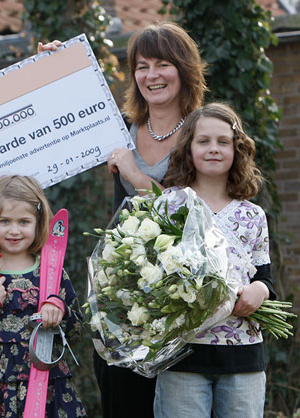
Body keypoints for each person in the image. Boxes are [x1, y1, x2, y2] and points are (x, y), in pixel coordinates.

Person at [92, 22, 207, 418]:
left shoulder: (202, 133)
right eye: (142, 66)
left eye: (162, 64)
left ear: (184, 69)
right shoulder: (121, 129)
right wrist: (55, 63)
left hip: (183, 302)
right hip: (124, 299)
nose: (152, 75)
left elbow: (197, 216)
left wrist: (137, 177)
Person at [155, 102, 276, 417]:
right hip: (182, 355)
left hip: (243, 357)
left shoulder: (252, 215)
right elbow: (151, 274)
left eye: (223, 141)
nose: (213, 148)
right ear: (189, 148)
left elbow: (264, 277)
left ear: (237, 150)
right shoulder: (169, 206)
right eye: (203, 141)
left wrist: (259, 291)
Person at [0, 175, 86, 417]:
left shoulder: (51, 272)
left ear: (38, 223)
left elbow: (76, 334)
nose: (14, 230)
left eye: (24, 221)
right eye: (5, 221)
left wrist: (59, 311)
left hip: (44, 390)